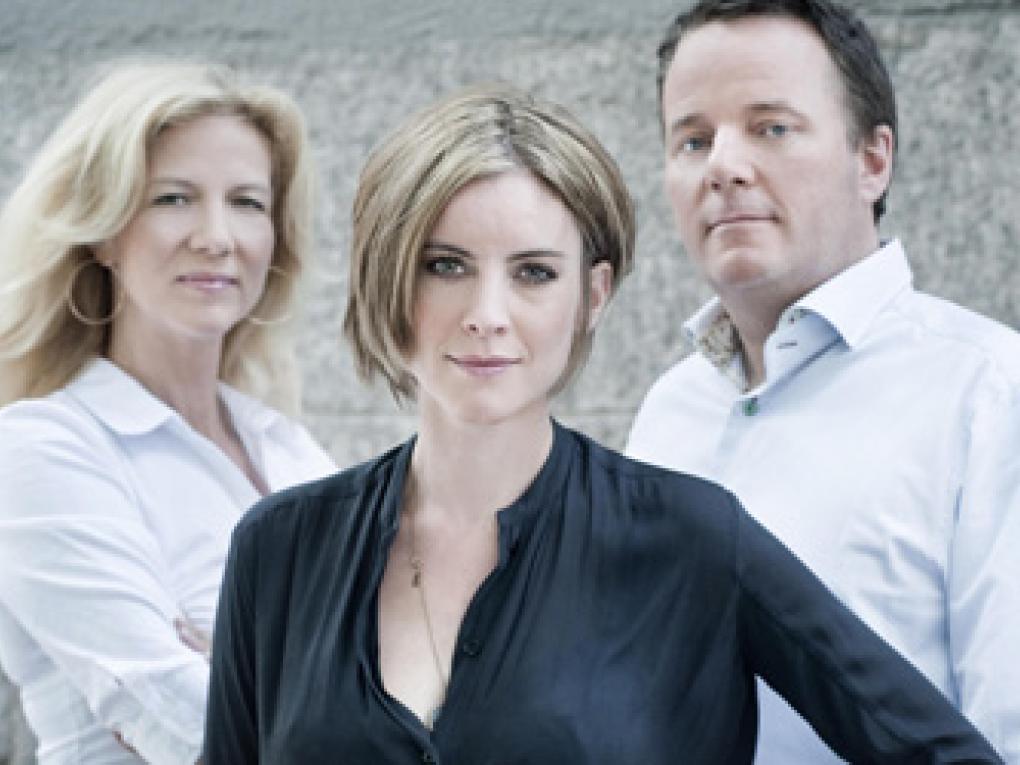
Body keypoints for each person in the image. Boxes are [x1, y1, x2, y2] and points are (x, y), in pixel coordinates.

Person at [204, 83, 1002, 764]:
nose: (487, 314)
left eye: (533, 272)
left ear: (592, 295)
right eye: (445, 265)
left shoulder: (693, 539)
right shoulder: (279, 549)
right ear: (386, 276)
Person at [626, 0, 1020, 762]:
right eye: (694, 139)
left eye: (772, 127)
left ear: (872, 160)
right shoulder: (669, 412)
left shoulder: (991, 396)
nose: (723, 166)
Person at [0, 61, 335, 764]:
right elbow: (183, 723)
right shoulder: (41, 449)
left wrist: (244, 675)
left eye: (247, 202)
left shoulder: (292, 452)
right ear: (102, 232)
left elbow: (432, 681)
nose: (216, 236)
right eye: (174, 198)